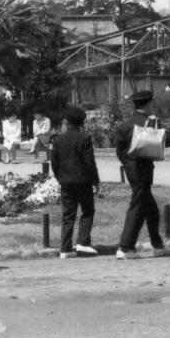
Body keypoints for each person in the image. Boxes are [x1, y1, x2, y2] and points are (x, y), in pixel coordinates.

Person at [113, 90, 166, 259]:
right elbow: (163, 142)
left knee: (151, 209)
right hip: (144, 170)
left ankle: (157, 245)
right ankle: (125, 247)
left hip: (132, 170)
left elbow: (119, 150)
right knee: (137, 207)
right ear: (149, 103)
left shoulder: (126, 124)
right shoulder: (149, 123)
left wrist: (128, 164)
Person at [51, 105, 99, 258]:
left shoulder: (58, 139)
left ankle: (65, 248)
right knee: (87, 211)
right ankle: (83, 242)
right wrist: (95, 181)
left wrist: (60, 177)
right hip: (83, 180)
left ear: (67, 122)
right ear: (81, 123)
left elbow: (54, 162)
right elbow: (89, 162)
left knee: (68, 215)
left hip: (66, 181)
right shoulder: (84, 138)